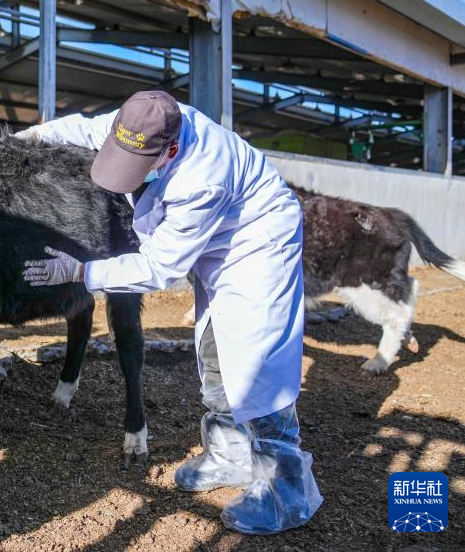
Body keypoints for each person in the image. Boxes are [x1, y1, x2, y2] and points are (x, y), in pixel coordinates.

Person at [18, 90, 322, 535]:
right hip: (218, 242)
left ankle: (285, 491)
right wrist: (14, 142)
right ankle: (229, 456)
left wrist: (81, 271)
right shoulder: (139, 122)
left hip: (258, 241)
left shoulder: (203, 177)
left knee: (258, 356)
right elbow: (73, 127)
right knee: (214, 343)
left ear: (172, 150)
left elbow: (159, 267)